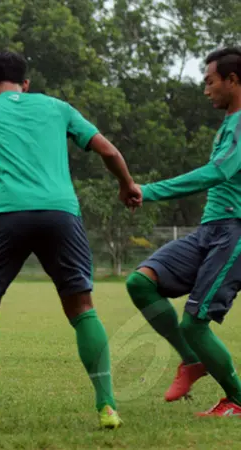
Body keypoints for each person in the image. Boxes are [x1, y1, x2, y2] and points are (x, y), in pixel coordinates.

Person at [0, 51, 140, 429]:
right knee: (82, 307)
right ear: (26, 83)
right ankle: (107, 405)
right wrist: (127, 184)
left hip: (10, 213)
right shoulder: (58, 108)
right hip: (61, 213)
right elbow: (108, 149)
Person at [125, 47, 241, 417]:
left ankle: (237, 399)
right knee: (140, 283)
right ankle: (192, 361)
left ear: (233, 80)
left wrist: (150, 190)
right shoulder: (229, 124)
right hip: (210, 230)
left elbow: (217, 173)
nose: (206, 90)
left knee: (194, 323)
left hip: (234, 233)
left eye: (210, 82)